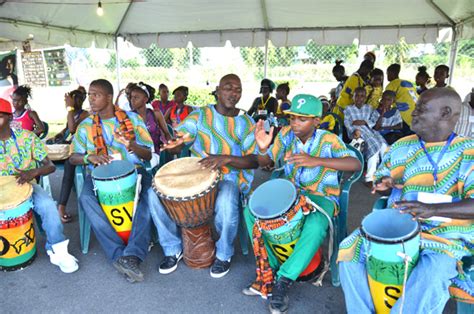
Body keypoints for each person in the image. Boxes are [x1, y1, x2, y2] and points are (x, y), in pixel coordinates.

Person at [338, 88, 474, 313]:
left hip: (445, 235)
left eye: (420, 108)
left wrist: (431, 209)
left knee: (433, 271)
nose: (413, 113)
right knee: (349, 252)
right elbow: (384, 179)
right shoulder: (402, 146)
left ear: (445, 113)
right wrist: (384, 184)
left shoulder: (468, 152)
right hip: (398, 225)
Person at [243, 94, 361, 313]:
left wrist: (316, 161)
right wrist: (262, 148)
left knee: (316, 225)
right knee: (251, 211)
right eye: (293, 117)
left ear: (317, 120)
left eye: (302, 119)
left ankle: (283, 281)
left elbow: (354, 163)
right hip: (292, 194)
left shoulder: (329, 140)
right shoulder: (287, 135)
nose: (295, 123)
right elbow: (266, 161)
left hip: (322, 195)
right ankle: (269, 269)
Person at [148, 74, 258, 278]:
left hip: (230, 179)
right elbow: (182, 139)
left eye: (238, 89)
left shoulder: (247, 123)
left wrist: (225, 159)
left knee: (226, 197)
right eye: (228, 88)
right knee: (153, 193)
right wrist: (176, 144)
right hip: (197, 177)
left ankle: (224, 253)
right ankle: (172, 248)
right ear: (218, 90)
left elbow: (254, 160)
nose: (233, 93)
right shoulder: (200, 116)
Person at [70, 79, 154, 283]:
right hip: (99, 175)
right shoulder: (85, 126)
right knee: (86, 198)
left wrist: (131, 144)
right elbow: (73, 157)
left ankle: (131, 254)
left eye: (95, 95)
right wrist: (90, 158)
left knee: (149, 196)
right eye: (89, 94)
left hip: (135, 171)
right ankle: (121, 255)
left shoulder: (132, 120)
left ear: (109, 97)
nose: (90, 99)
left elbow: (148, 154)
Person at [0, 97, 79, 273]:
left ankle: (58, 250)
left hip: (26, 186)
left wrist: (32, 173)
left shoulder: (27, 138)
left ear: (10, 118)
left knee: (48, 206)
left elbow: (50, 166)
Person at [49, 88, 89, 223]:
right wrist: (59, 134)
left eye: (76, 99)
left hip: (79, 151)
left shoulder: (84, 114)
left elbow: (73, 129)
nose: (74, 102)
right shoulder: (72, 113)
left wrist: (70, 108)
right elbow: (67, 129)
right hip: (69, 148)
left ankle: (61, 207)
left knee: (69, 168)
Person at [344, 87, 388, 184]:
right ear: (353, 97)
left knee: (384, 146)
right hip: (358, 132)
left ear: (365, 98)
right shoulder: (349, 109)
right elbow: (347, 123)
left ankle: (384, 174)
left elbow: (373, 121)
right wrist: (354, 130)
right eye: (357, 96)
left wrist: (364, 121)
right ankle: (369, 178)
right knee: (375, 146)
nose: (360, 98)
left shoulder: (368, 108)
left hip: (370, 130)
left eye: (362, 96)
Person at [129, 82, 172, 155]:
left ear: (145, 99)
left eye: (136, 97)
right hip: (137, 154)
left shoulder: (155, 114)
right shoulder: (129, 116)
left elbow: (167, 134)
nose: (132, 100)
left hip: (155, 154)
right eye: (131, 97)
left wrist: (170, 147)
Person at [385, 63, 418, 135]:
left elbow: (386, 101)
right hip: (417, 111)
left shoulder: (392, 84)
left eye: (387, 73)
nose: (387, 76)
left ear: (391, 73)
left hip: (404, 114)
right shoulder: (408, 82)